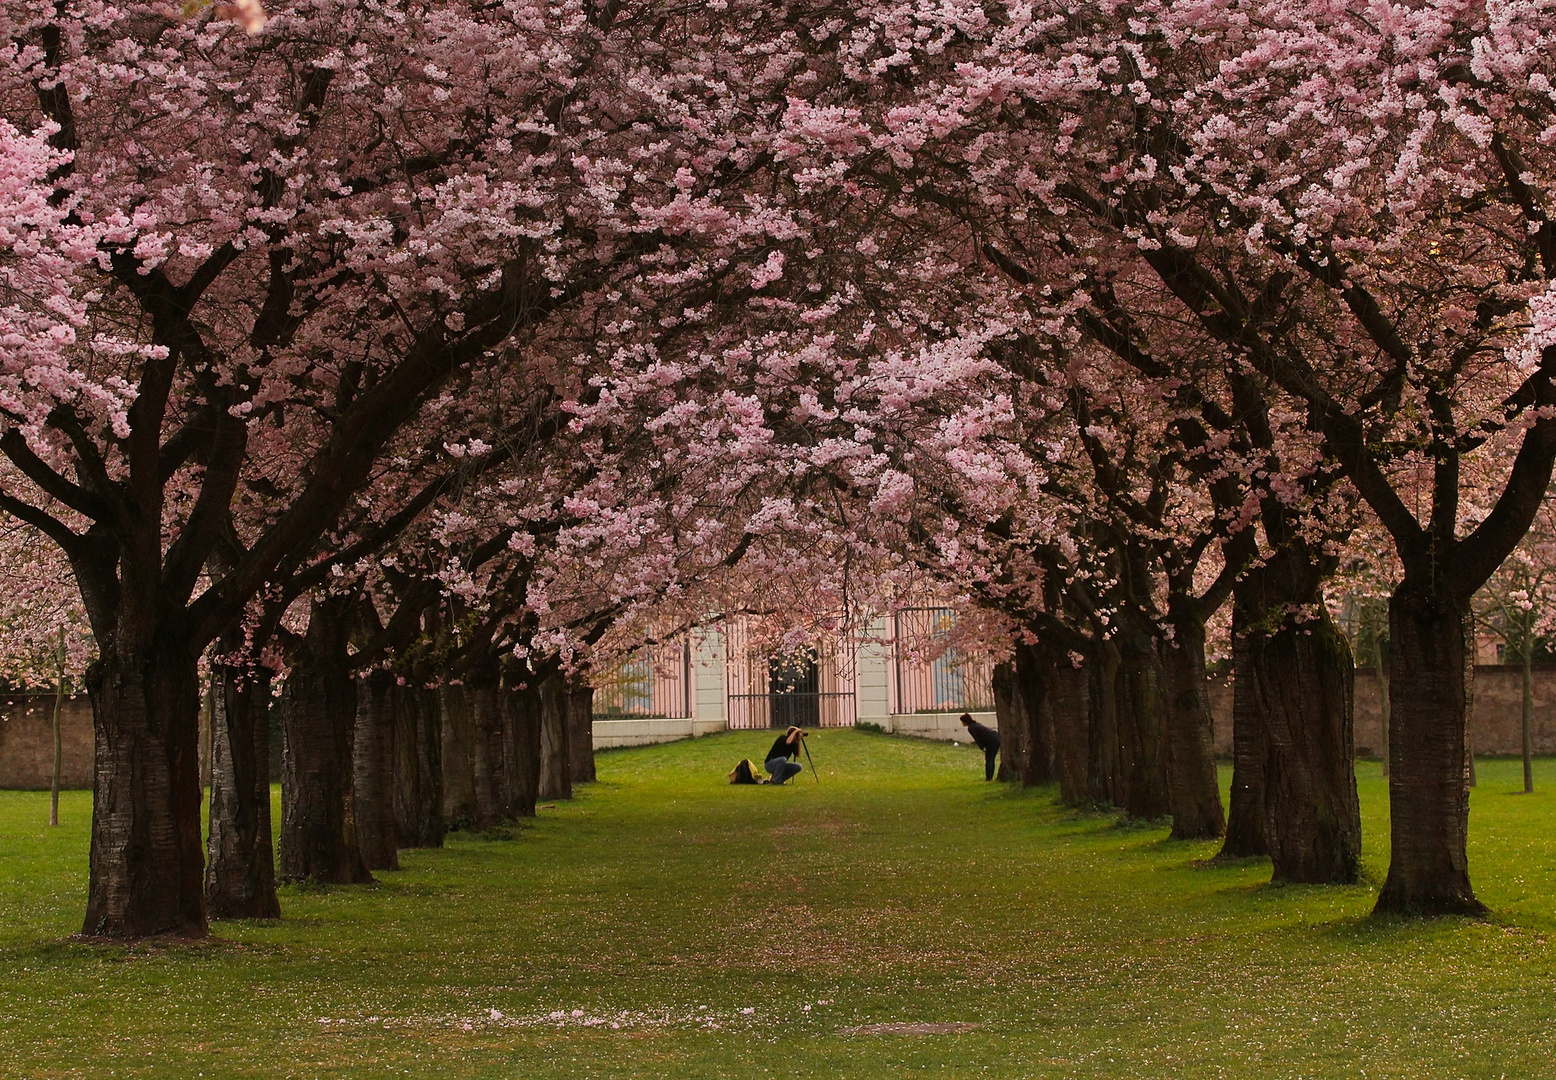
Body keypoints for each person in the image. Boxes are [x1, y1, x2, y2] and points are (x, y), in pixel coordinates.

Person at [959, 713, 1000, 781]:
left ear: (965, 721)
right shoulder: (976, 724)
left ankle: (989, 778)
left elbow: (977, 738)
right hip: (995, 737)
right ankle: (990, 777)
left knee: (989, 759)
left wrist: (982, 747)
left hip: (991, 741)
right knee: (991, 759)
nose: (962, 723)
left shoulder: (971, 728)